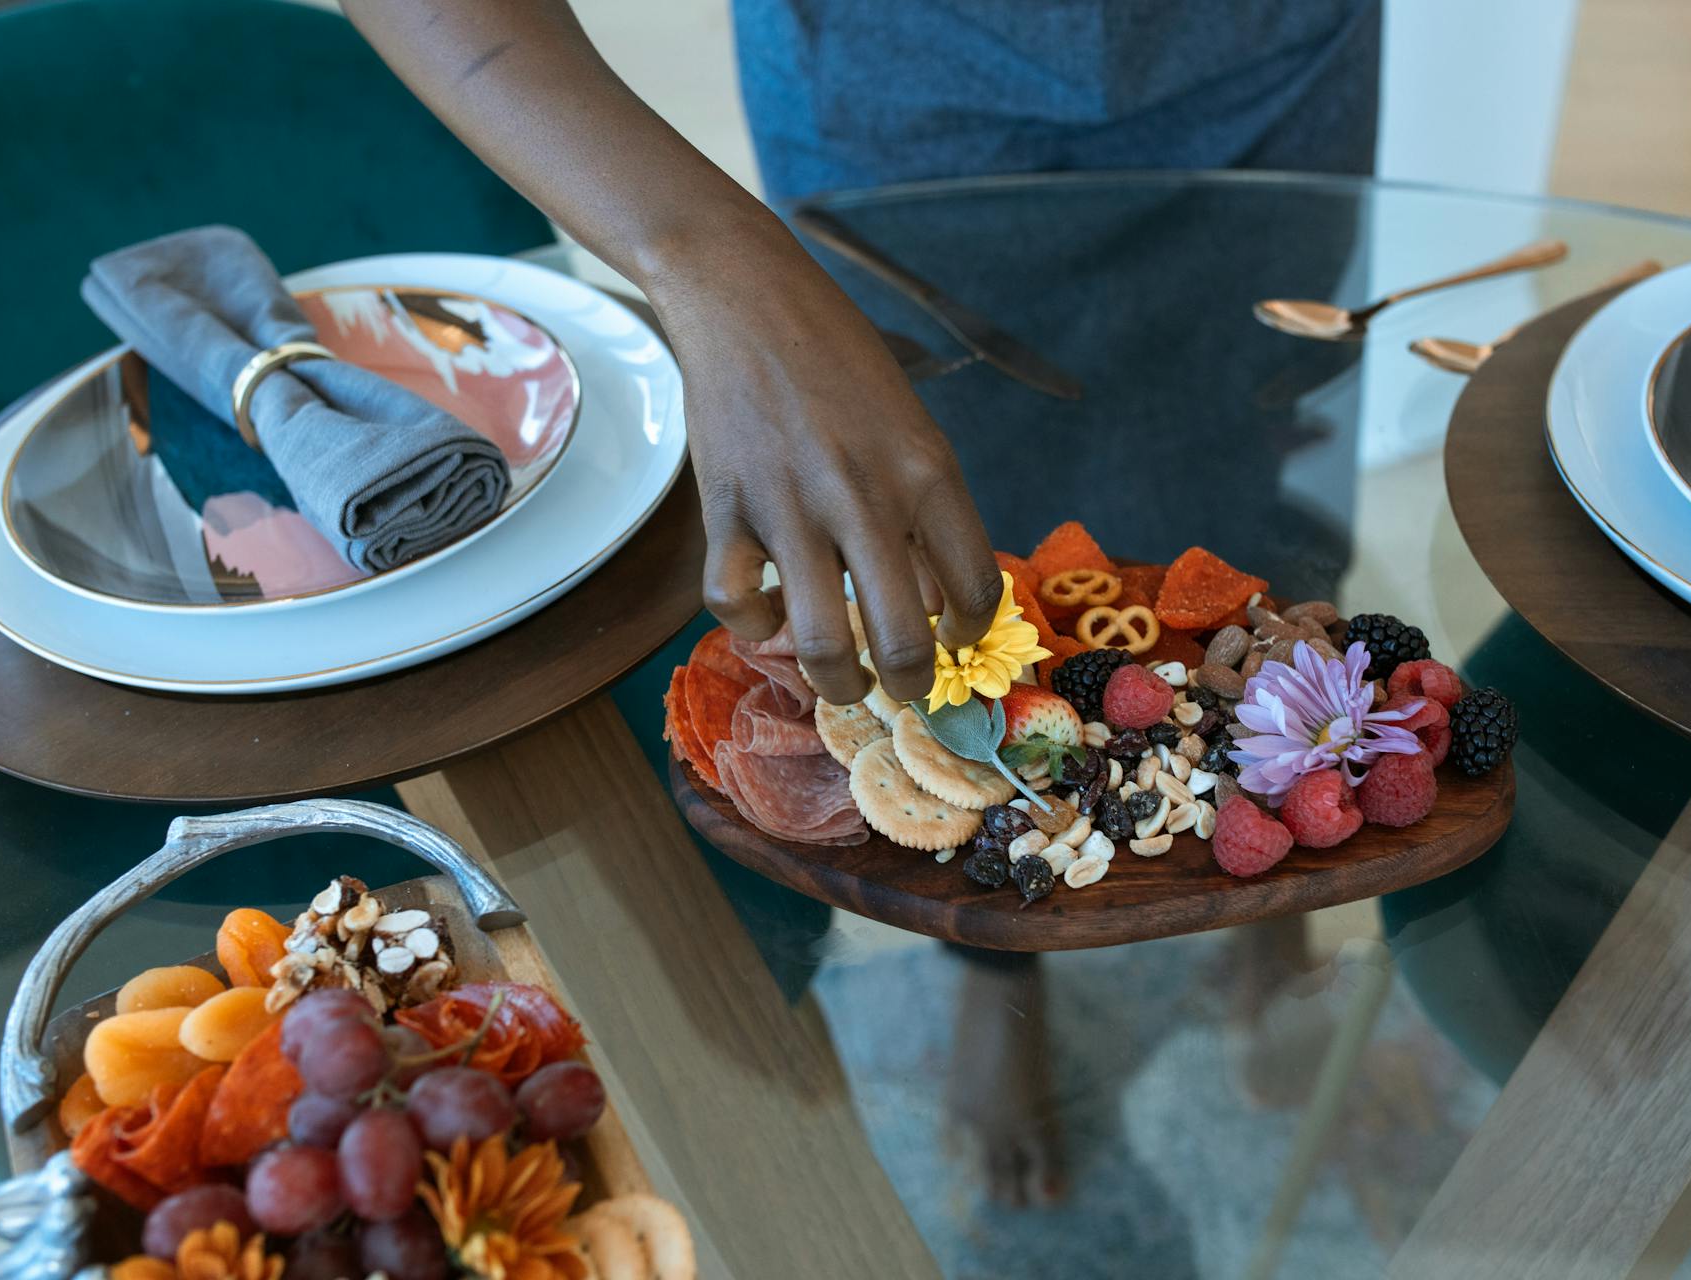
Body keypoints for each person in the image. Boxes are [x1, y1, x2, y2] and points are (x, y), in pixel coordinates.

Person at [345, 0, 1382, 1209]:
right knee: (941, 551)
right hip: (892, 68)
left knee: (1248, 462)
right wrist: (714, 261)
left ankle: (1275, 833)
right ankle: (1004, 961)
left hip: (1269, 53)